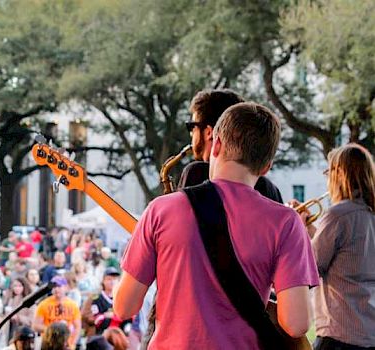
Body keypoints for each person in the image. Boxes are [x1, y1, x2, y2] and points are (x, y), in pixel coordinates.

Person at [114, 102, 320, 349]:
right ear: (266, 167)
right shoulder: (287, 223)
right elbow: (296, 324)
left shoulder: (161, 209)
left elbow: (124, 307)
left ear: (217, 144)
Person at [298, 143, 375, 350]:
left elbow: (311, 267)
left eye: (328, 172)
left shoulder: (338, 215)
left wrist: (296, 228)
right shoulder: (368, 215)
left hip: (338, 334)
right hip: (368, 333)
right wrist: (309, 227)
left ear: (339, 174)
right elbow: (342, 253)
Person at [186, 89, 283, 202]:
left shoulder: (195, 172)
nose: (191, 133)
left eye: (192, 127)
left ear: (209, 132)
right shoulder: (270, 189)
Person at [32, 276, 81, 350]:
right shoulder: (43, 304)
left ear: (66, 287)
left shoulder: (73, 305)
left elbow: (77, 327)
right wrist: (52, 330)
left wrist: (73, 343)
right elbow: (35, 326)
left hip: (66, 344)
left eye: (59, 286)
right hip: (49, 344)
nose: (56, 289)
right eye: (54, 286)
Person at [82, 267, 130, 337]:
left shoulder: (122, 297)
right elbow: (86, 315)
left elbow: (127, 316)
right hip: (98, 334)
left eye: (115, 279)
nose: (112, 282)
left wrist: (113, 316)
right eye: (109, 279)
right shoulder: (95, 297)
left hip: (118, 334)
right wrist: (102, 317)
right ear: (103, 281)